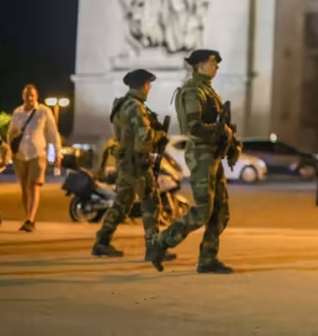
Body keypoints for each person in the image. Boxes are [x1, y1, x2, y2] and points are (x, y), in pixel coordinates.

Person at [147, 49, 239, 273]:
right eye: (212, 62)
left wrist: (231, 142)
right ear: (199, 65)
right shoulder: (193, 91)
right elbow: (194, 128)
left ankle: (208, 259)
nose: (216, 65)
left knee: (220, 212)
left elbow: (218, 125)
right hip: (201, 154)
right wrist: (221, 131)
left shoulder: (207, 90)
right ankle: (160, 242)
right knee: (203, 211)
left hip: (212, 154)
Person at [91, 69, 177, 262]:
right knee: (152, 202)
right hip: (137, 163)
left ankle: (102, 242)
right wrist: (160, 135)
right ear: (144, 85)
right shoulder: (136, 108)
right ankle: (153, 248)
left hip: (125, 162)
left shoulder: (121, 104)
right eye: (149, 85)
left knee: (122, 203)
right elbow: (144, 139)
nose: (149, 89)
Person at [7, 84, 62, 232]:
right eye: (27, 95)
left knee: (33, 185)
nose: (29, 98)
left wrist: (58, 152)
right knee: (24, 188)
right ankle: (28, 218)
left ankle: (30, 219)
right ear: (23, 96)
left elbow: (53, 132)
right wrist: (7, 151)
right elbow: (10, 133)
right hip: (19, 155)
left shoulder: (44, 111)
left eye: (32, 95)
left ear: (36, 96)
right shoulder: (17, 112)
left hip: (38, 153)